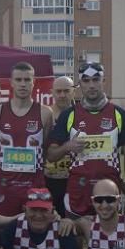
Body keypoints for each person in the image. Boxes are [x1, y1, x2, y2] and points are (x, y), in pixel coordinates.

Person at [47, 62, 125, 218]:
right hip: (78, 191)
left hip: (109, 192)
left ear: (104, 81)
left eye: (96, 79)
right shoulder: (69, 115)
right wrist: (67, 146)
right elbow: (51, 155)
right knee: (76, 236)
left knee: (109, 239)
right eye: (86, 81)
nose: (92, 85)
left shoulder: (120, 114)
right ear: (80, 85)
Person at [0, 62, 54, 215]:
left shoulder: (45, 113)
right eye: (18, 80)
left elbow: (45, 151)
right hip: (5, 186)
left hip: (34, 185)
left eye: (27, 80)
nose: (23, 84)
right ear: (11, 82)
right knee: (2, 231)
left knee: (35, 230)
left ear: (34, 82)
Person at [44, 77, 75, 215]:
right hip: (49, 178)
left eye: (67, 91)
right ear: (52, 92)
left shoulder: (80, 114)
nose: (62, 95)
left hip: (74, 177)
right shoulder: (45, 115)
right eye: (59, 91)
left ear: (74, 92)